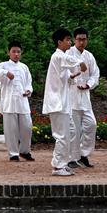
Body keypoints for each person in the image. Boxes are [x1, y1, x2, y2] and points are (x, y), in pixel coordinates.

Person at [42, 28, 87, 177]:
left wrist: (73, 76)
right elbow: (68, 61)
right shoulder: (57, 56)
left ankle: (63, 162)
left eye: (70, 39)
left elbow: (66, 79)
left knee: (72, 132)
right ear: (59, 42)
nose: (70, 42)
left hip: (64, 102)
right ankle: (58, 166)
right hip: (57, 103)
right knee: (62, 135)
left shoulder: (63, 58)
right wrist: (80, 62)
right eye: (67, 40)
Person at [0, 41, 34, 162]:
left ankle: (24, 151)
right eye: (13, 51)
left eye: (18, 52)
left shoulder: (24, 67)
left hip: (23, 101)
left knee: (27, 127)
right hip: (9, 102)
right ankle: (13, 153)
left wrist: (29, 90)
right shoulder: (3, 65)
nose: (16, 54)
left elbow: (29, 82)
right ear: (8, 52)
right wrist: (5, 72)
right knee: (11, 130)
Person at [66, 27, 99, 168]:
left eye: (84, 39)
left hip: (85, 97)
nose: (81, 42)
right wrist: (74, 80)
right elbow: (63, 73)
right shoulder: (68, 54)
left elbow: (95, 75)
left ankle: (83, 154)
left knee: (91, 125)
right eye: (79, 39)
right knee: (74, 129)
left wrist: (88, 85)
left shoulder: (89, 56)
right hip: (72, 96)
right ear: (74, 40)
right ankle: (72, 158)